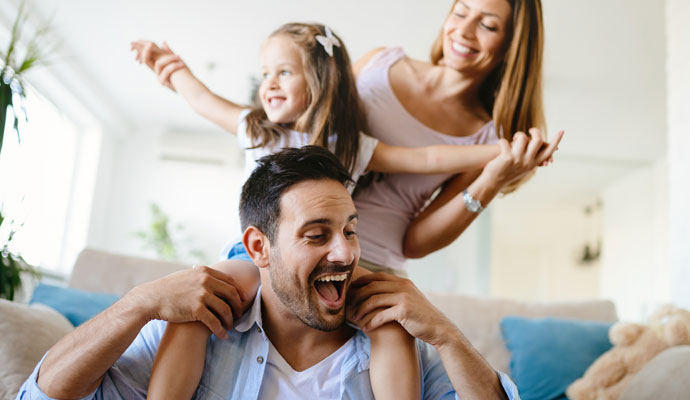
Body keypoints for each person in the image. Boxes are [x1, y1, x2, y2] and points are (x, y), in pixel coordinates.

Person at [129, 22, 549, 400]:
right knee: (196, 306)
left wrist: (504, 150)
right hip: (251, 260)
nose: (269, 83)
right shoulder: (255, 127)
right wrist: (172, 68)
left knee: (390, 323)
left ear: (317, 80)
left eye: (284, 72)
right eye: (265, 74)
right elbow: (202, 99)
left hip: (344, 264)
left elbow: (427, 159)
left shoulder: (353, 145)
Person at [18, 146, 520, 399]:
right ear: (258, 246)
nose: (345, 253)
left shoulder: (397, 339)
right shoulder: (198, 328)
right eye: (317, 234)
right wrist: (136, 304)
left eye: (350, 229)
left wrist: (450, 338)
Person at [351, 0, 560, 272]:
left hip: (371, 265)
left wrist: (490, 181)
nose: (463, 30)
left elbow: (414, 244)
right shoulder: (377, 63)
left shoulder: (487, 139)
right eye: (460, 12)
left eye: (487, 25)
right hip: (298, 240)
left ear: (511, 46)